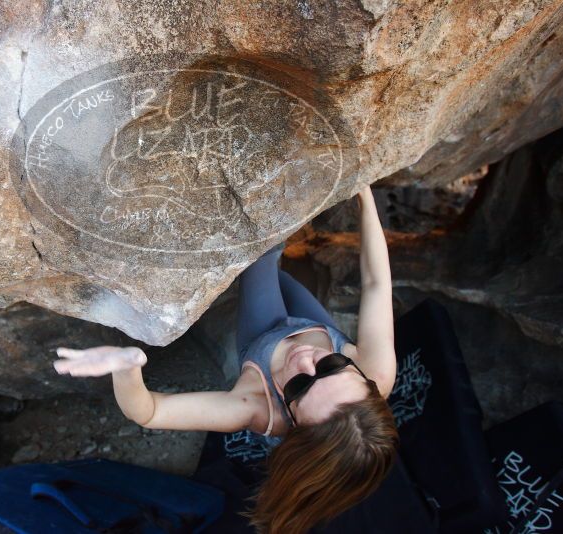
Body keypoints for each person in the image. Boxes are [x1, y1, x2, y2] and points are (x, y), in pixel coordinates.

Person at [54, 185, 399, 533]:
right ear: (363, 378)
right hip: (316, 324)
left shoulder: (254, 407)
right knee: (281, 273)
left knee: (260, 257)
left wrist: (126, 367)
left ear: (292, 419)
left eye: (301, 385)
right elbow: (375, 283)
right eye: (331, 366)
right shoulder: (376, 371)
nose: (307, 360)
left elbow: (151, 412)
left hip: (262, 335)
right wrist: (364, 193)